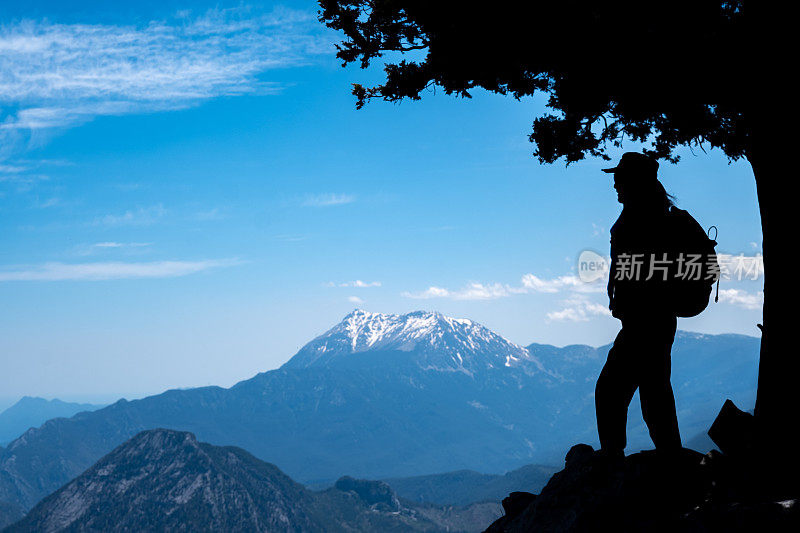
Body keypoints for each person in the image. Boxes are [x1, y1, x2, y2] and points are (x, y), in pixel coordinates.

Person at [595, 152, 682, 458]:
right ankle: (671, 457)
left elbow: (639, 273)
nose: (615, 184)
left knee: (611, 390)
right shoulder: (655, 214)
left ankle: (613, 459)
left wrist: (628, 301)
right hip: (656, 318)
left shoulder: (641, 218)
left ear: (634, 181)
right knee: (654, 392)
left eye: (619, 178)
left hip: (644, 320)